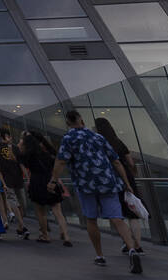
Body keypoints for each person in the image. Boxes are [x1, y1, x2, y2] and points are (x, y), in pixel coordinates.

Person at [49, 111, 142, 273]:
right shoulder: (98, 137)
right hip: (107, 182)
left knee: (91, 220)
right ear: (82, 121)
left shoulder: (68, 139)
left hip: (86, 184)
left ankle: (100, 255)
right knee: (117, 218)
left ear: (68, 123)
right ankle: (132, 250)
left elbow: (61, 161)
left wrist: (53, 180)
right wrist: (127, 183)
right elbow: (116, 161)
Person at [94, 117, 145, 256]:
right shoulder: (118, 142)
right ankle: (138, 245)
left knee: (118, 213)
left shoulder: (99, 143)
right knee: (132, 212)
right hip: (127, 176)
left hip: (111, 178)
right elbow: (130, 162)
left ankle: (128, 243)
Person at [17, 131, 71, 246]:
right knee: (57, 210)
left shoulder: (28, 155)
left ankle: (45, 235)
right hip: (50, 179)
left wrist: (20, 145)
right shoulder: (45, 153)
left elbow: (20, 158)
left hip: (37, 181)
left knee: (40, 212)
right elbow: (54, 164)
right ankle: (66, 236)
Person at [0, 128, 30, 238]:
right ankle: (23, 226)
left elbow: (21, 163)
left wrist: (26, 178)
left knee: (22, 204)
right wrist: (3, 182)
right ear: (4, 136)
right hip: (8, 180)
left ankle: (20, 228)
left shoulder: (15, 148)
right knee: (13, 202)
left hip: (18, 180)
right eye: (8, 136)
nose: (10, 138)